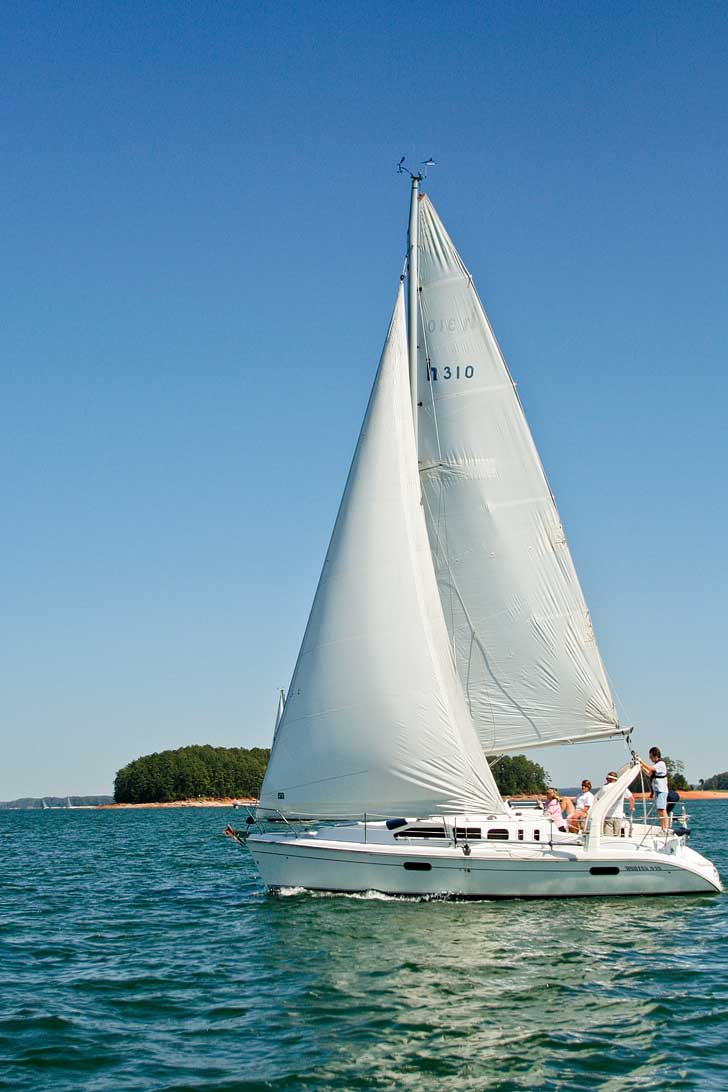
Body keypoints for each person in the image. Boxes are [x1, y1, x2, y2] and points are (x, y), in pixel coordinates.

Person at [640, 747, 669, 831]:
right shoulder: (656, 765)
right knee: (660, 810)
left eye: (650, 756)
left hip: (662, 790)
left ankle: (665, 828)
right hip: (657, 790)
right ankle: (663, 827)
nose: (649, 758)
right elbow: (649, 773)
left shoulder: (661, 764)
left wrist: (641, 761)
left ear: (655, 755)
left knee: (662, 809)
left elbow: (650, 768)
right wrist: (641, 766)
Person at [602, 771, 635, 836]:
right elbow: (632, 798)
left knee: (608, 837)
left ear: (609, 779)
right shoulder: (622, 787)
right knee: (617, 836)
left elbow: (599, 799)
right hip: (619, 815)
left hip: (608, 815)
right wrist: (631, 807)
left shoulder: (605, 787)